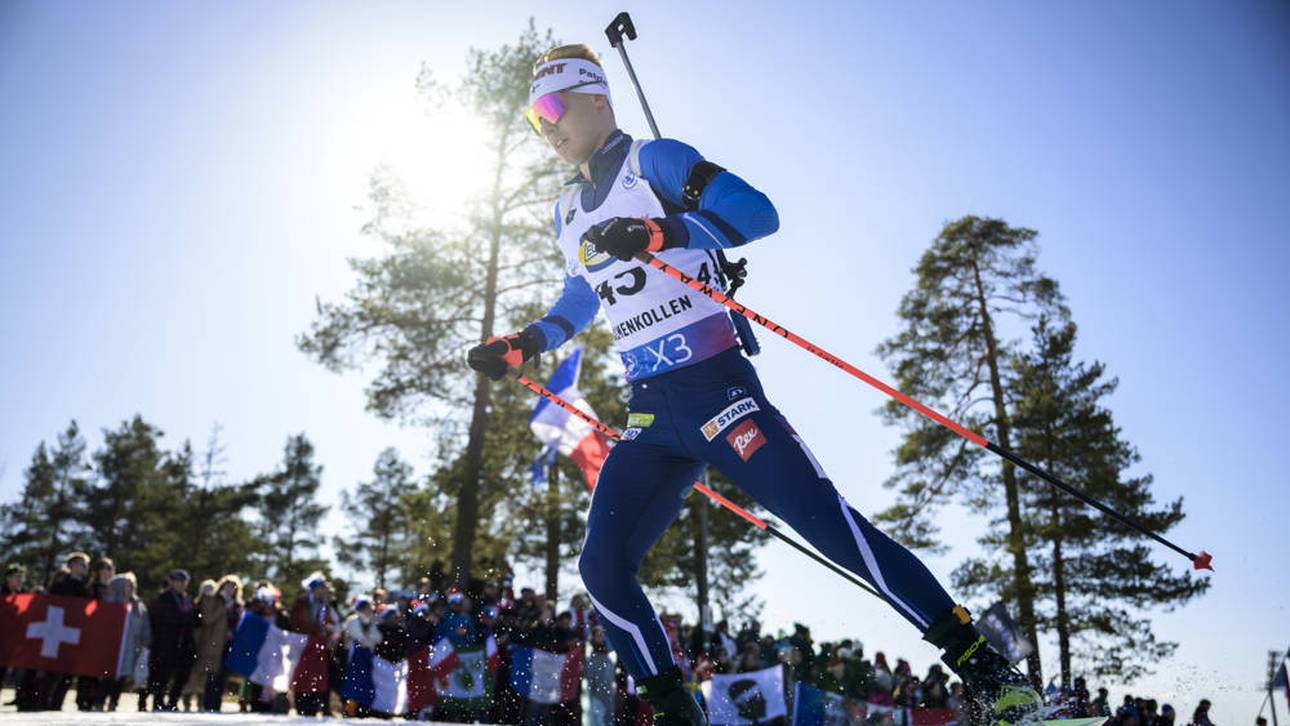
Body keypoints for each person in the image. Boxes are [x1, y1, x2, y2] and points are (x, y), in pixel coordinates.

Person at [466, 42, 1042, 726]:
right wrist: (524, 344)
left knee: (831, 528)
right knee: (602, 569)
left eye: (554, 106)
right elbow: (579, 298)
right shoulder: (566, 211)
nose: (547, 126)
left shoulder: (654, 161)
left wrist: (659, 231)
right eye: (534, 118)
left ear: (597, 97)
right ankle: (675, 712)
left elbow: (757, 212)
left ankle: (990, 673)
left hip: (719, 392)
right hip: (651, 416)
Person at [148, 569, 198, 711]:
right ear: (170, 581)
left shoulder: (188, 600)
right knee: (162, 675)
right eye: (178, 581)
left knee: (183, 674)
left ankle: (173, 702)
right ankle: (158, 702)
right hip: (165, 643)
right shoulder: (162, 598)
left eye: (184, 581)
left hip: (184, 644)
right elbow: (156, 621)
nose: (181, 584)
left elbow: (194, 620)